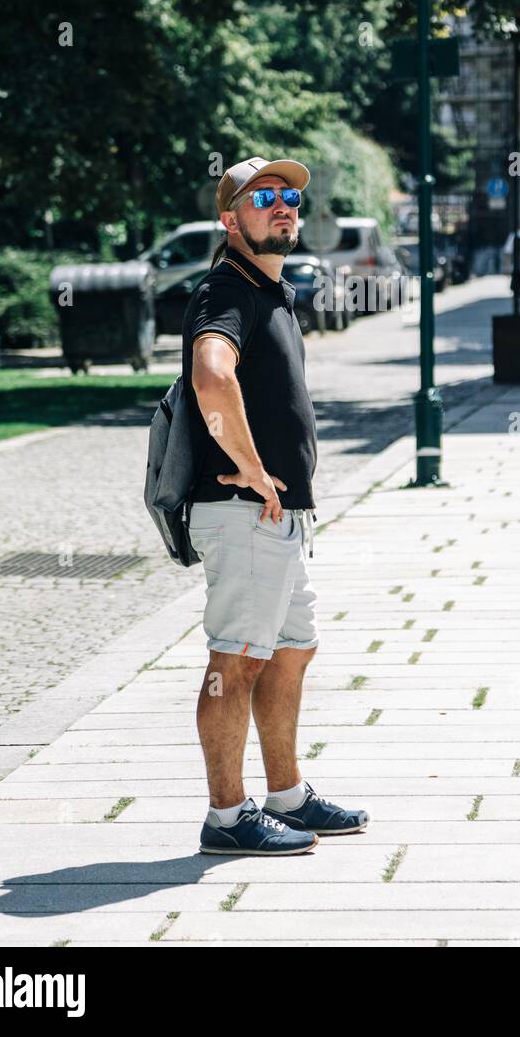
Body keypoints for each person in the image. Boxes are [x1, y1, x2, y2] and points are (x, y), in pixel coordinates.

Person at [184, 155, 369, 855]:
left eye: (290, 195)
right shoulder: (226, 291)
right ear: (230, 220)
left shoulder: (271, 292)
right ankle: (227, 817)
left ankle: (287, 796)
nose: (283, 205)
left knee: (292, 650)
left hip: (280, 520)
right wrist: (252, 469)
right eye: (263, 196)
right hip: (245, 515)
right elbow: (211, 374)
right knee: (235, 659)